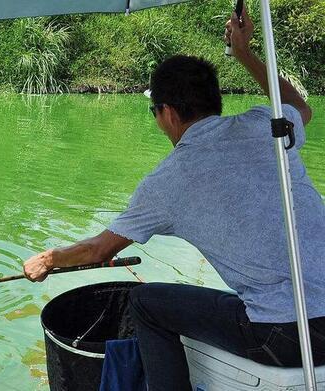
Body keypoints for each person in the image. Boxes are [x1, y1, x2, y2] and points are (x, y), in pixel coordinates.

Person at [23, 5, 325, 390]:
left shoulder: (169, 179)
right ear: (215, 101)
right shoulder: (264, 127)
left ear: (166, 112)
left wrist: (49, 259)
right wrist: (245, 52)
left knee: (147, 304)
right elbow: (301, 107)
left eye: (154, 112)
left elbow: (99, 250)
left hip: (286, 337)